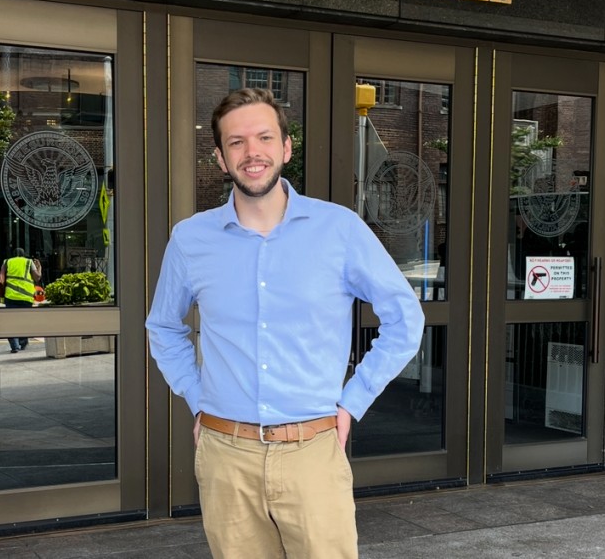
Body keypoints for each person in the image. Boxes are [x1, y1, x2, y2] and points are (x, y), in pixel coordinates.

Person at [145, 88, 424, 558]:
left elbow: (404, 318)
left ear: (286, 148)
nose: (252, 152)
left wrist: (352, 402)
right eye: (236, 142)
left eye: (264, 137)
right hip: (225, 453)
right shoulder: (191, 239)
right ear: (219, 157)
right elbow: (164, 327)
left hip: (312, 450)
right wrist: (198, 399)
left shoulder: (339, 229)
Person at [0, 247, 41, 352]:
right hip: (26, 297)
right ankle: (22, 343)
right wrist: (39, 267)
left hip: (10, 296)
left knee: (11, 321)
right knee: (24, 321)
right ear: (24, 254)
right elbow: (37, 277)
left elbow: (1, 277)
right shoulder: (29, 261)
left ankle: (15, 346)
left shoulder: (7, 261)